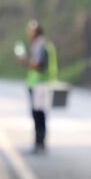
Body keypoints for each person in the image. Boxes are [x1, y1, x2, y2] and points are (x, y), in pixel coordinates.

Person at [23, 20, 58, 152]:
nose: (29, 34)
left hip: (40, 85)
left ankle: (40, 143)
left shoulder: (41, 45)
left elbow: (40, 65)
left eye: (30, 31)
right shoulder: (39, 44)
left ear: (36, 31)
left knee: (39, 114)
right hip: (38, 84)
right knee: (38, 114)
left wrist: (26, 62)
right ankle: (39, 142)